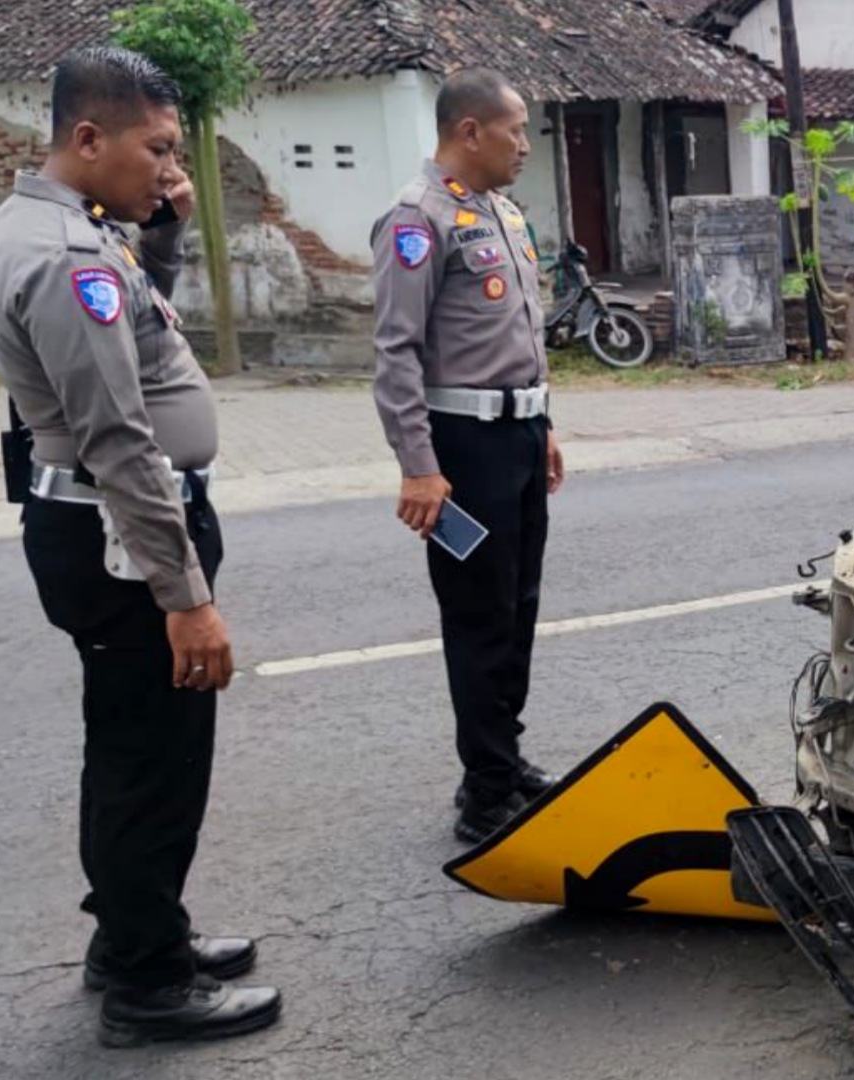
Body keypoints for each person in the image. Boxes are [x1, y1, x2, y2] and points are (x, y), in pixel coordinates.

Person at [0, 46, 280, 1047]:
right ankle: (148, 984)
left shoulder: (57, 231)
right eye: (157, 149)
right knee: (154, 759)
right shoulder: (69, 261)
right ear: (88, 137)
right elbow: (117, 437)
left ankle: (138, 935)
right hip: (124, 537)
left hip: (95, 532)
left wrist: (166, 237)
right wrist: (184, 592)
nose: (168, 168)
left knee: (128, 747)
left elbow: (138, 341)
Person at [370, 68, 565, 842]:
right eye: (515, 129)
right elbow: (395, 353)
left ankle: (502, 757)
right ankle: (485, 792)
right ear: (469, 132)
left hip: (517, 435)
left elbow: (517, 337)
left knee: (517, 607)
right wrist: (418, 465)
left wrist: (542, 422)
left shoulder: (503, 214)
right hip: (463, 449)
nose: (525, 143)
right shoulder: (417, 220)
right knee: (479, 616)